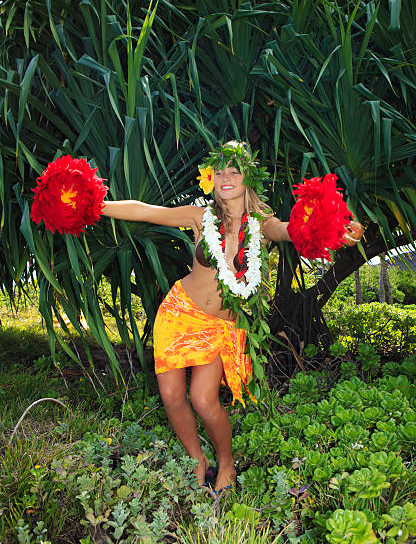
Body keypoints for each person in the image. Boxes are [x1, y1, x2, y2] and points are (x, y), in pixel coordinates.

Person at [101, 141, 363, 493]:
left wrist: (334, 229)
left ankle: (226, 461)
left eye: (235, 170)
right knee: (172, 396)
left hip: (220, 326)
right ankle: (198, 459)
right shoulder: (200, 217)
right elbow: (147, 210)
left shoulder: (260, 224)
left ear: (247, 177)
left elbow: (292, 230)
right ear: (212, 177)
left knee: (204, 400)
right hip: (179, 313)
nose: (226, 176)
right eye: (220, 170)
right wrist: (97, 205)